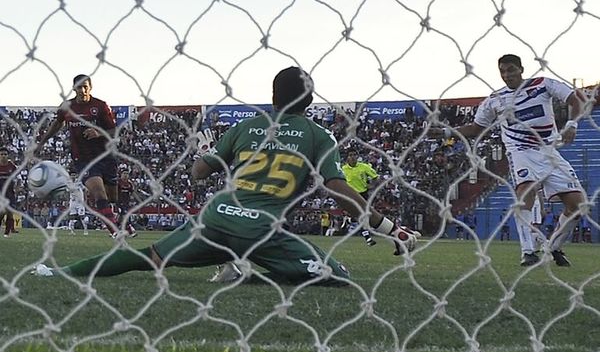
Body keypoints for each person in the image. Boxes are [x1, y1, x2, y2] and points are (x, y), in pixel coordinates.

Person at [33, 67, 420, 283]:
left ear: (273, 98)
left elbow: (199, 173)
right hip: (261, 227)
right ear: (311, 100)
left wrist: (205, 151)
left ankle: (57, 271)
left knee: (148, 257)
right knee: (337, 275)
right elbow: (337, 190)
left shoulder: (248, 125)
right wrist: (391, 228)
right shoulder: (319, 135)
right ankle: (248, 275)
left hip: (217, 216)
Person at [436, 54, 585, 266]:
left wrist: (572, 124)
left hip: (550, 152)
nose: (507, 75)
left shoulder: (542, 84)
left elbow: (575, 99)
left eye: (511, 70)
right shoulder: (495, 99)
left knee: (577, 206)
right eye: (503, 71)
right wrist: (446, 132)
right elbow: (476, 128)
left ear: (521, 69)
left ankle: (553, 247)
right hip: (521, 153)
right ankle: (528, 252)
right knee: (525, 194)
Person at [34, 74, 135, 238]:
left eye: (85, 86)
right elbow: (57, 124)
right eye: (79, 87)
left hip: (105, 156)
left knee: (112, 198)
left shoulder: (100, 106)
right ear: (74, 88)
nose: (82, 90)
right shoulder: (67, 107)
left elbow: (114, 131)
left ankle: (123, 223)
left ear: (91, 87)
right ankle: (115, 231)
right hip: (82, 159)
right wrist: (41, 143)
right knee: (98, 193)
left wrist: (98, 132)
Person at [341, 149, 379, 246]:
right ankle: (368, 238)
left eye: (354, 155)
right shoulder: (343, 169)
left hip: (363, 194)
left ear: (357, 157)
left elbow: (375, 177)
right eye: (351, 155)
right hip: (351, 194)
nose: (353, 157)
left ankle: (349, 220)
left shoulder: (364, 167)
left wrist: (372, 185)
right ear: (347, 158)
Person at [0, 147, 17, 237]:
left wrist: (18, 187)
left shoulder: (12, 166)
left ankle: (6, 233)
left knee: (10, 213)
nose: (3, 156)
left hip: (10, 193)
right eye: (1, 154)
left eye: (5, 154)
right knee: (2, 212)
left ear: (8, 155)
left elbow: (18, 178)